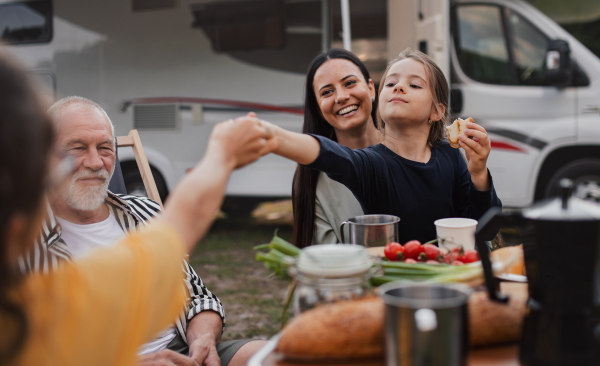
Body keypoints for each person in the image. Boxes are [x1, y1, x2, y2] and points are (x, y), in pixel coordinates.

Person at [0, 51, 274, 365]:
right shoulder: (28, 253)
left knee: (279, 356)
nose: (94, 163)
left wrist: (203, 339)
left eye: (105, 148)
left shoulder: (143, 211)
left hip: (181, 349)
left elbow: (197, 295)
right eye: (76, 150)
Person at [265, 48, 502, 244]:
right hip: (399, 287)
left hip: (450, 282)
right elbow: (331, 156)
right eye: (390, 84)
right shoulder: (372, 163)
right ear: (380, 100)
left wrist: (479, 172)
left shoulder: (450, 155)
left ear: (437, 111)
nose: (398, 87)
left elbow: (485, 229)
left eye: (415, 85)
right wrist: (274, 136)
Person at [292, 49, 381, 247]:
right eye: (327, 92)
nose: (341, 97)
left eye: (349, 83)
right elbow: (327, 261)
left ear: (371, 89)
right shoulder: (313, 178)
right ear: (318, 108)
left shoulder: (409, 150)